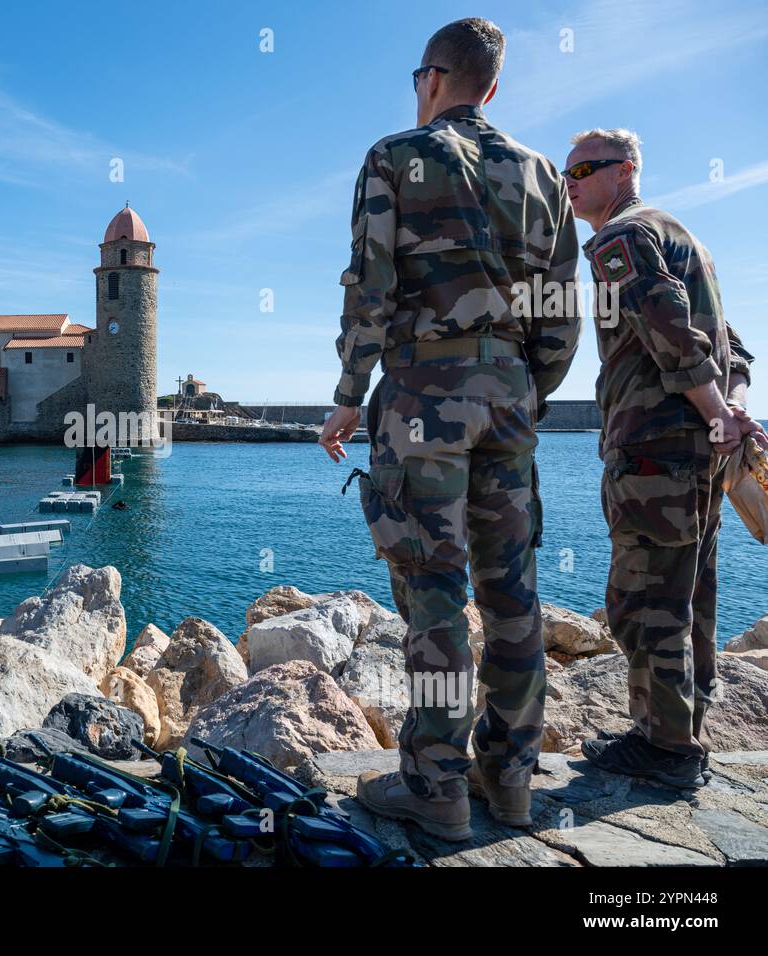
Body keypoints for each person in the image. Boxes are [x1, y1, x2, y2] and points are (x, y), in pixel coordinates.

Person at [319, 18, 581, 840]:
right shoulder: (544, 174)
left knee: (434, 594)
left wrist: (347, 391)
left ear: (432, 77)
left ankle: (436, 787)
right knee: (514, 595)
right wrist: (523, 389)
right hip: (509, 396)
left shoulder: (395, 156)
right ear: (492, 87)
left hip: (421, 398)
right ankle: (510, 781)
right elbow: (563, 312)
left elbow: (370, 281)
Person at [564, 128, 765, 788]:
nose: (571, 181)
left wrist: (716, 415)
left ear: (625, 171)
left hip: (656, 449)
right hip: (700, 457)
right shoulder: (689, 241)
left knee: (640, 599)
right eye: (568, 171)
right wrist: (731, 411)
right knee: (689, 596)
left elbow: (669, 328)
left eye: (584, 168)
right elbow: (731, 348)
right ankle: (674, 734)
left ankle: (668, 750)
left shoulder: (619, 238)